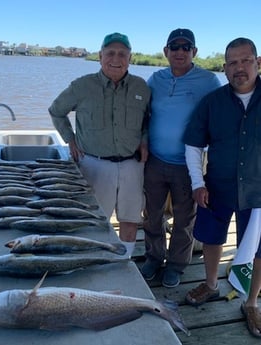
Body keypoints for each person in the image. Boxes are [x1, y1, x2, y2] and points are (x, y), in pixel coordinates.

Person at [183, 37, 261, 338]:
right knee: (212, 239)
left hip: (258, 193)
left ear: (257, 61)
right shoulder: (212, 102)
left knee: (258, 249)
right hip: (216, 187)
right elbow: (193, 145)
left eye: (245, 60)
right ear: (224, 68)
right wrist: (197, 182)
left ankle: (251, 302)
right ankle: (212, 285)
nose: (239, 68)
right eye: (232, 63)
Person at [48, 32, 150, 257]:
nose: (116, 58)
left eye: (122, 54)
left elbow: (148, 120)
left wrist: (144, 140)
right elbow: (56, 111)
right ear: (100, 56)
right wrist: (70, 139)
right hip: (93, 165)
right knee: (91, 219)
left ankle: (124, 261)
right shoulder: (82, 86)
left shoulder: (142, 87)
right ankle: (93, 261)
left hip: (133, 166)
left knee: (130, 220)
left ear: (130, 58)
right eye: (110, 53)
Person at [140, 28, 221, 288]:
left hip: (189, 165)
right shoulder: (155, 78)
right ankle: (154, 257)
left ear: (195, 52)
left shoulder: (208, 80)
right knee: (152, 215)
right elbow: (142, 113)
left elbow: (219, 117)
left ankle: (176, 265)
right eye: (174, 46)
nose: (180, 51)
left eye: (187, 47)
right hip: (154, 160)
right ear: (166, 51)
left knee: (185, 220)